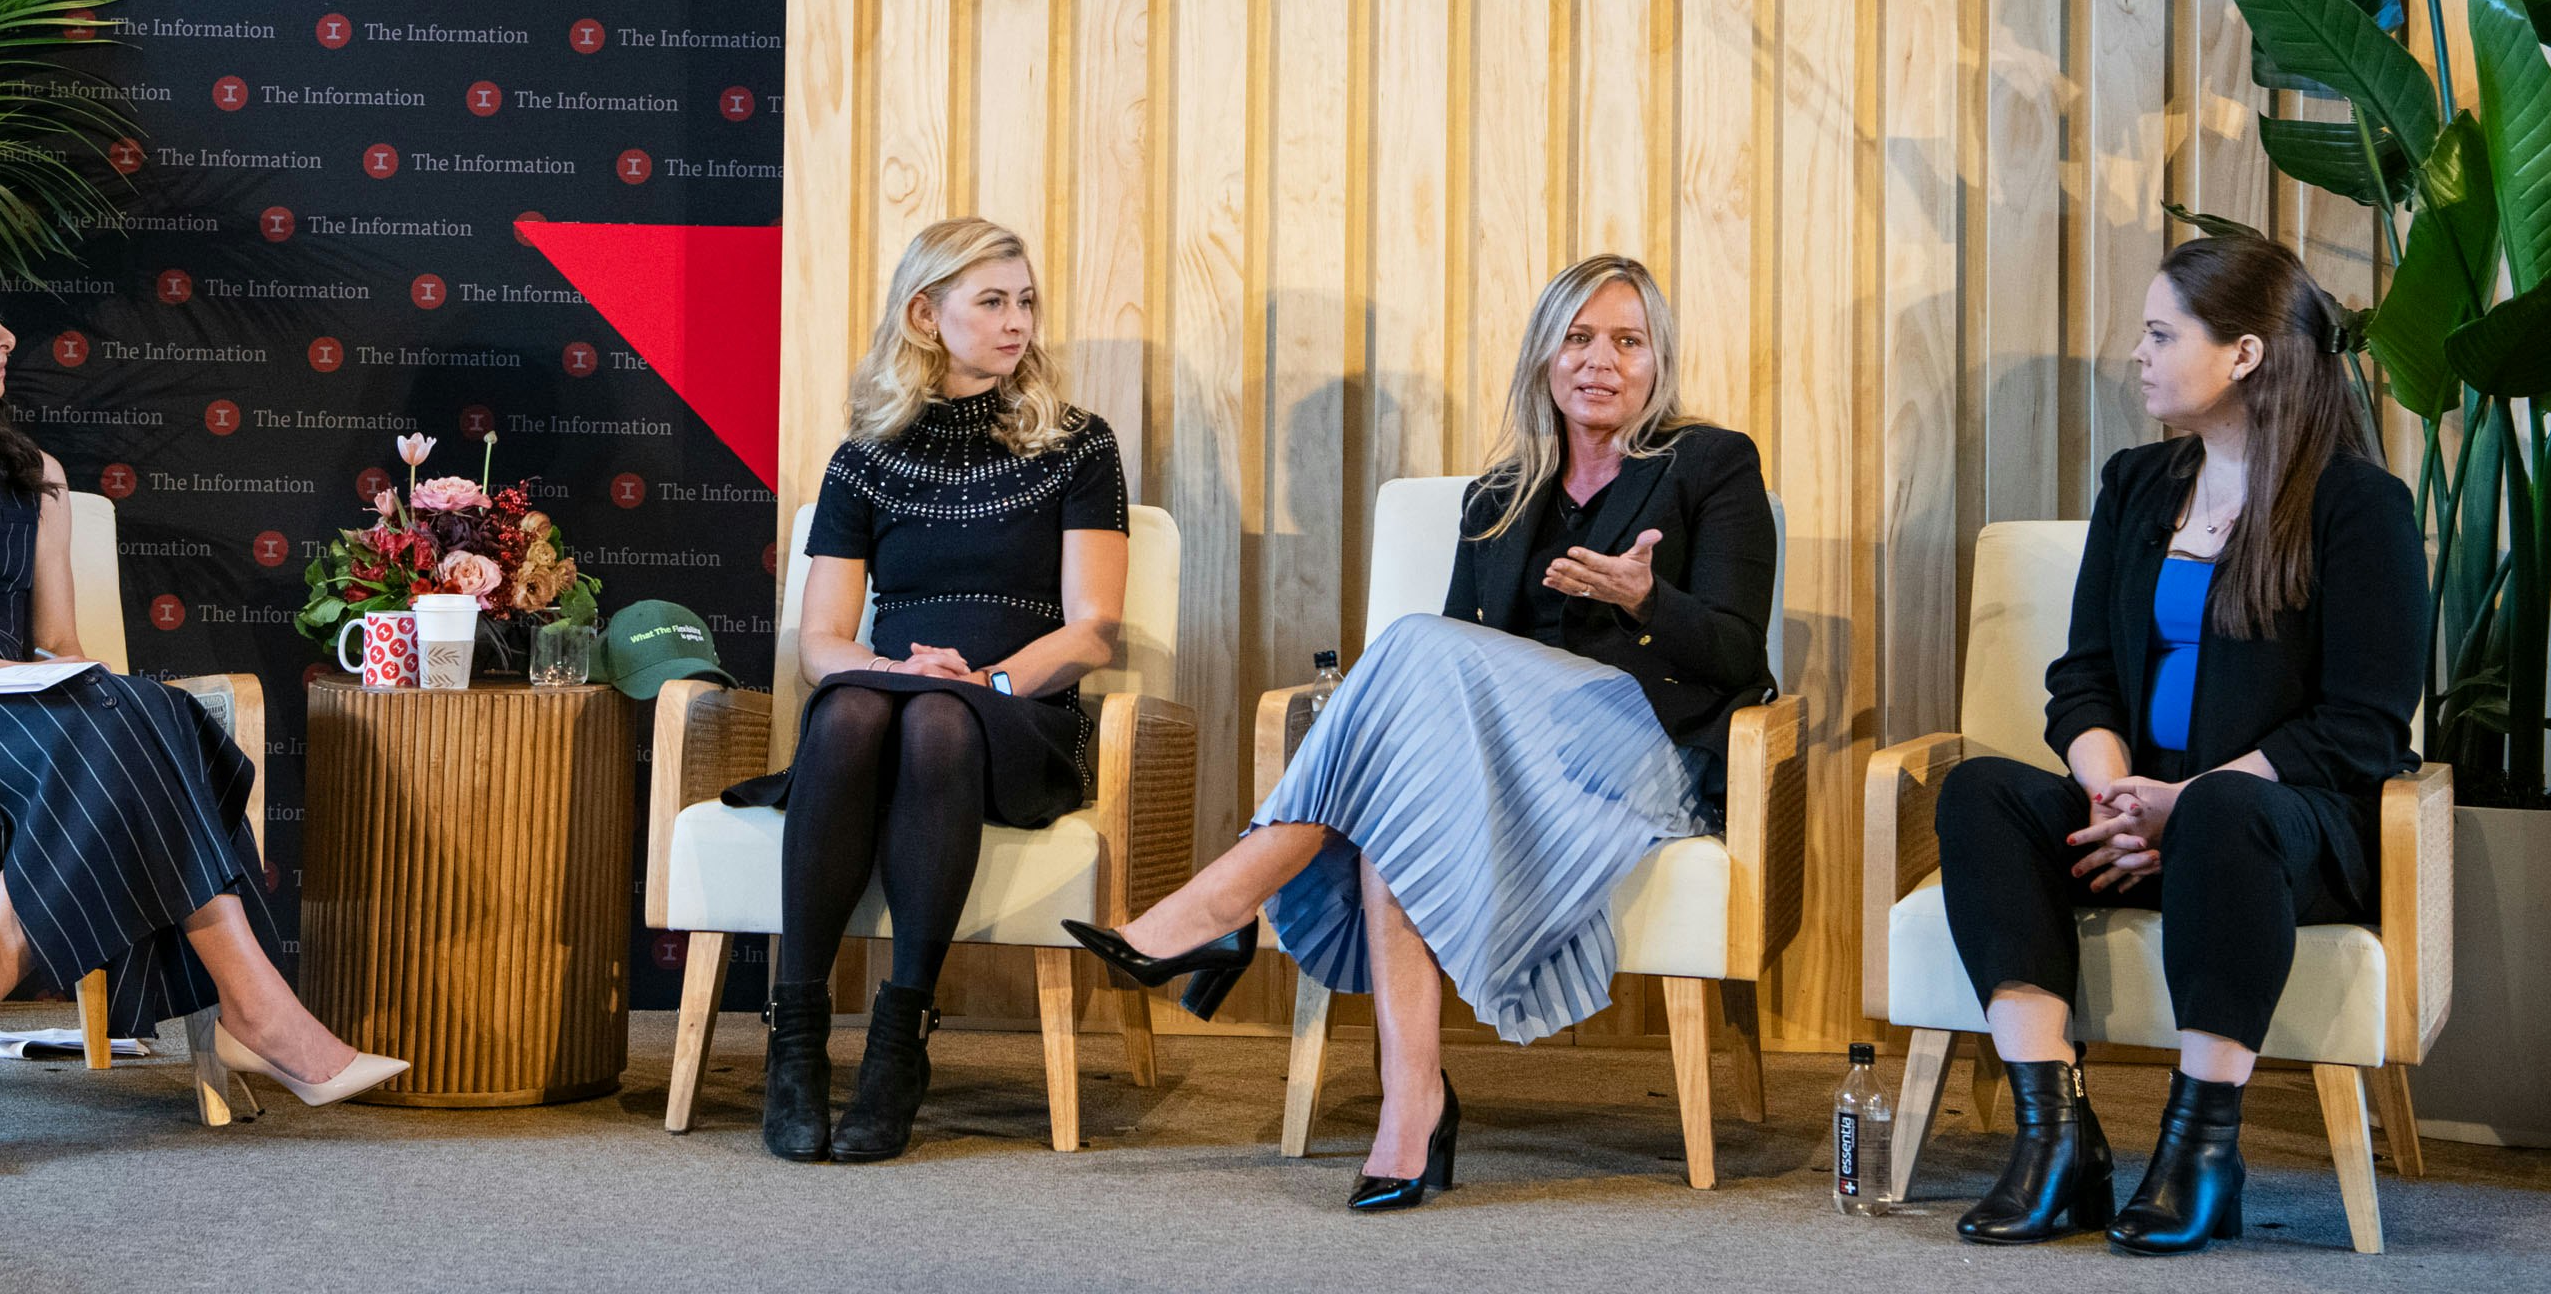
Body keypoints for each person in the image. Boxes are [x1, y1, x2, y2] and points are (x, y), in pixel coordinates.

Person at [1067, 254, 1776, 1211]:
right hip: (1515, 764)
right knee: (1403, 761)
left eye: (1627, 341)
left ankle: (1217, 907)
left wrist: (1647, 598)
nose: (1599, 360)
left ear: (1659, 363)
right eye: (1576, 338)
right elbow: (1439, 671)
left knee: (1406, 646)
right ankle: (1412, 1108)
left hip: (1645, 762)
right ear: (1542, 359)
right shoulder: (1498, 498)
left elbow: (1736, 655)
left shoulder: (1711, 464)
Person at [0, 233, 403, 1163]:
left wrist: (49, 680)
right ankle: (256, 1009)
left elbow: (63, 645)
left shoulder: (36, 477)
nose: (4, 339)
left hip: (14, 716)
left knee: (146, 712)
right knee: (129, 728)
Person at [1933, 233, 2423, 1255]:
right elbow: (2083, 678)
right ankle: (2052, 1134)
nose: (2140, 355)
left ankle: (2203, 1146)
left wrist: (2186, 799)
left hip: (2282, 832)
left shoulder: (2359, 505)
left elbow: (2361, 727)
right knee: (1980, 790)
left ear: (2244, 353)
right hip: (2143, 814)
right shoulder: (2139, 483)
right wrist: (2120, 794)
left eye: (2162, 334)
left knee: (2225, 808)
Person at [724, 217, 1129, 1163]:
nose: (1017, 322)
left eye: (1025, 301)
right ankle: (798, 1039)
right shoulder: (864, 455)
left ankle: (899, 1040)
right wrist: (892, 668)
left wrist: (986, 680)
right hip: (892, 698)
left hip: (1020, 717)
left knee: (941, 720)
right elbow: (820, 646)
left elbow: (1093, 630)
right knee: (859, 706)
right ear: (924, 313)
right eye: (991, 302)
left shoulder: (1077, 445)